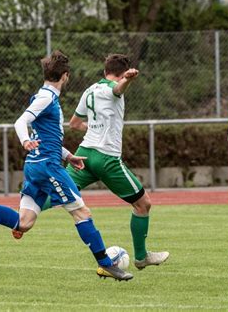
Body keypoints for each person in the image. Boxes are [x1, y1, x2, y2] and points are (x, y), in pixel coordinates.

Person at [0, 50, 133, 281]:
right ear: (65, 76)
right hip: (47, 167)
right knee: (82, 212)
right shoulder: (47, 98)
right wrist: (25, 140)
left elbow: (46, 136)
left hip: (36, 165)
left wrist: (68, 156)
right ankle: (106, 264)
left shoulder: (43, 95)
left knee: (23, 223)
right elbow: (21, 121)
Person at [66, 54, 169, 270]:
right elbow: (117, 89)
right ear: (121, 73)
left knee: (58, 191)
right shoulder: (113, 89)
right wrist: (128, 79)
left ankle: (22, 217)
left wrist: (93, 128)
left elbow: (74, 124)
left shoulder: (90, 90)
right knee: (143, 204)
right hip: (106, 158)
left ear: (104, 72)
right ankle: (141, 257)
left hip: (84, 153)